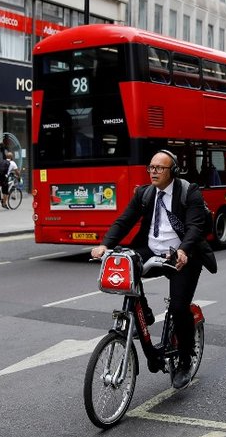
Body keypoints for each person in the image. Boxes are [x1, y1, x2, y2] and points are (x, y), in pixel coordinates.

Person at [90, 150, 212, 390]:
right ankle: (142, 313)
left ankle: (185, 360)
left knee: (178, 308)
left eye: (160, 168)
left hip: (181, 255)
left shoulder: (189, 192)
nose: (154, 172)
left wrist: (184, 250)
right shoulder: (144, 194)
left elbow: (195, 226)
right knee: (127, 263)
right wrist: (106, 244)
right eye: (151, 167)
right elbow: (124, 221)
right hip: (152, 250)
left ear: (173, 171)